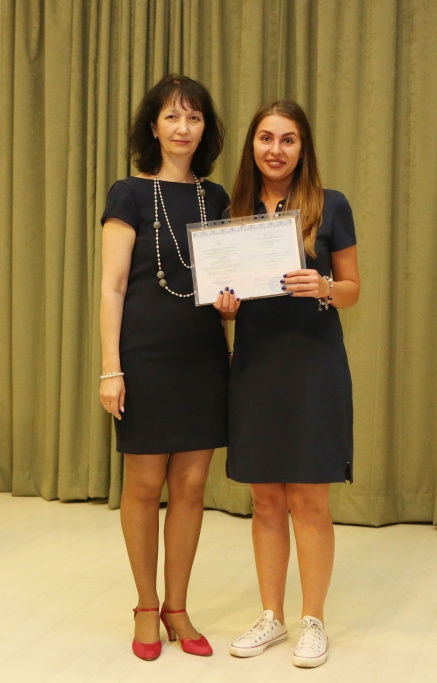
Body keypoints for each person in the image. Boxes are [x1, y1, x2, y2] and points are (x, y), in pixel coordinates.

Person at [214, 101, 360, 669]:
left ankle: (312, 620)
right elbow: (225, 293)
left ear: (303, 149)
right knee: (266, 499)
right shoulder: (232, 213)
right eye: (266, 138)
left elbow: (352, 289)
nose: (275, 149)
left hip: (314, 367)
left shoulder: (331, 205)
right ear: (252, 145)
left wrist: (323, 286)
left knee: (309, 500)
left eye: (288, 139)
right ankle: (271, 616)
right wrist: (225, 307)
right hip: (256, 367)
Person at [99, 74, 230, 661]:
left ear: (205, 129)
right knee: (145, 484)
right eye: (172, 117)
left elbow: (225, 279)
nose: (183, 128)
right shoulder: (128, 193)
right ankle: (147, 606)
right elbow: (112, 287)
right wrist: (111, 369)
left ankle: (178, 607)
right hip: (144, 357)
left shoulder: (215, 197)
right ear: (153, 126)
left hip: (203, 356)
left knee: (192, 486)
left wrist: (232, 305)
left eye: (194, 117)